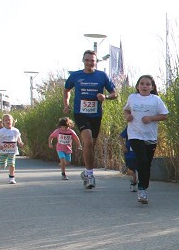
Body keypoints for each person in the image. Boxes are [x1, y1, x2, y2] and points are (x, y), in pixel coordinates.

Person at [63, 49, 117, 189]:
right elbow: (66, 89)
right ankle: (90, 175)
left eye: (92, 61)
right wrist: (66, 104)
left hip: (96, 114)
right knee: (87, 142)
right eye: (87, 60)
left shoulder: (102, 76)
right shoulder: (76, 76)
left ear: (96, 62)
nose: (89, 63)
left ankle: (86, 172)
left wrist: (106, 97)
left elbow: (114, 93)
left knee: (91, 145)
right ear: (83, 61)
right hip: (80, 113)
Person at [123, 74, 168, 204]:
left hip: (150, 136)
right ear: (137, 86)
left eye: (148, 84)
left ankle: (144, 186)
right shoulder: (132, 98)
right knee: (142, 159)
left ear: (152, 87)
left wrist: (151, 118)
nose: (144, 86)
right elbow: (126, 110)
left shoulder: (156, 100)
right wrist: (128, 116)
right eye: (142, 83)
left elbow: (164, 115)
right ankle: (142, 189)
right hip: (135, 134)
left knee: (147, 163)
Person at [0, 114, 24, 184]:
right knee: (2, 166)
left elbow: (18, 138)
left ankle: (12, 178)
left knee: (12, 163)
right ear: (3, 122)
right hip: (3, 151)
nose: (8, 121)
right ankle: (3, 162)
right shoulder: (0, 131)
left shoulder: (16, 131)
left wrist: (20, 143)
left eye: (9, 120)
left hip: (12, 150)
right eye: (6, 120)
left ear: (12, 121)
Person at [118, 128, 138, 192]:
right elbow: (120, 137)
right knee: (132, 167)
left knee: (138, 167)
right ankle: (134, 182)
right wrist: (123, 146)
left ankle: (135, 183)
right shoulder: (129, 128)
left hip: (139, 152)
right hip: (129, 153)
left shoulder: (141, 127)